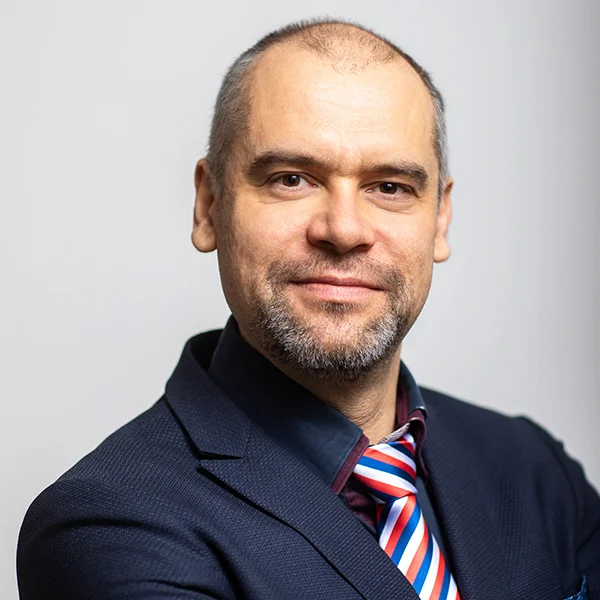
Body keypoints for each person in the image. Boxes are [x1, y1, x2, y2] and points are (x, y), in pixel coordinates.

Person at [17, 19, 599, 600]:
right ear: (209, 205)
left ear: (440, 219)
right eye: (292, 179)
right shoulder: (108, 528)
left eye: (390, 187)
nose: (343, 230)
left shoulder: (534, 470)